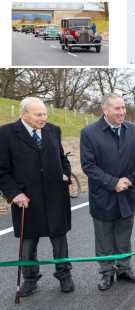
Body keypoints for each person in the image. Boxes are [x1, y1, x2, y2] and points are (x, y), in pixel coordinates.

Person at [0, 97, 74, 297]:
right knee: (28, 244)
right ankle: (30, 279)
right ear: (24, 114)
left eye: (45, 114)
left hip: (55, 197)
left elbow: (62, 158)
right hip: (27, 199)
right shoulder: (6, 134)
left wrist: (66, 175)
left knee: (60, 240)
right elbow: (2, 171)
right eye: (39, 114)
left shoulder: (53, 130)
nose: (44, 118)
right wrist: (15, 193)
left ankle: (64, 275)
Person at [80, 94, 135, 291]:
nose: (122, 112)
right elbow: (88, 165)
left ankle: (124, 269)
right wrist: (113, 182)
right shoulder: (89, 132)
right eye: (117, 109)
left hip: (127, 193)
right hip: (103, 195)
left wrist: (129, 180)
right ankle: (106, 273)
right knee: (104, 237)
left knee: (124, 234)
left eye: (123, 108)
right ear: (105, 110)